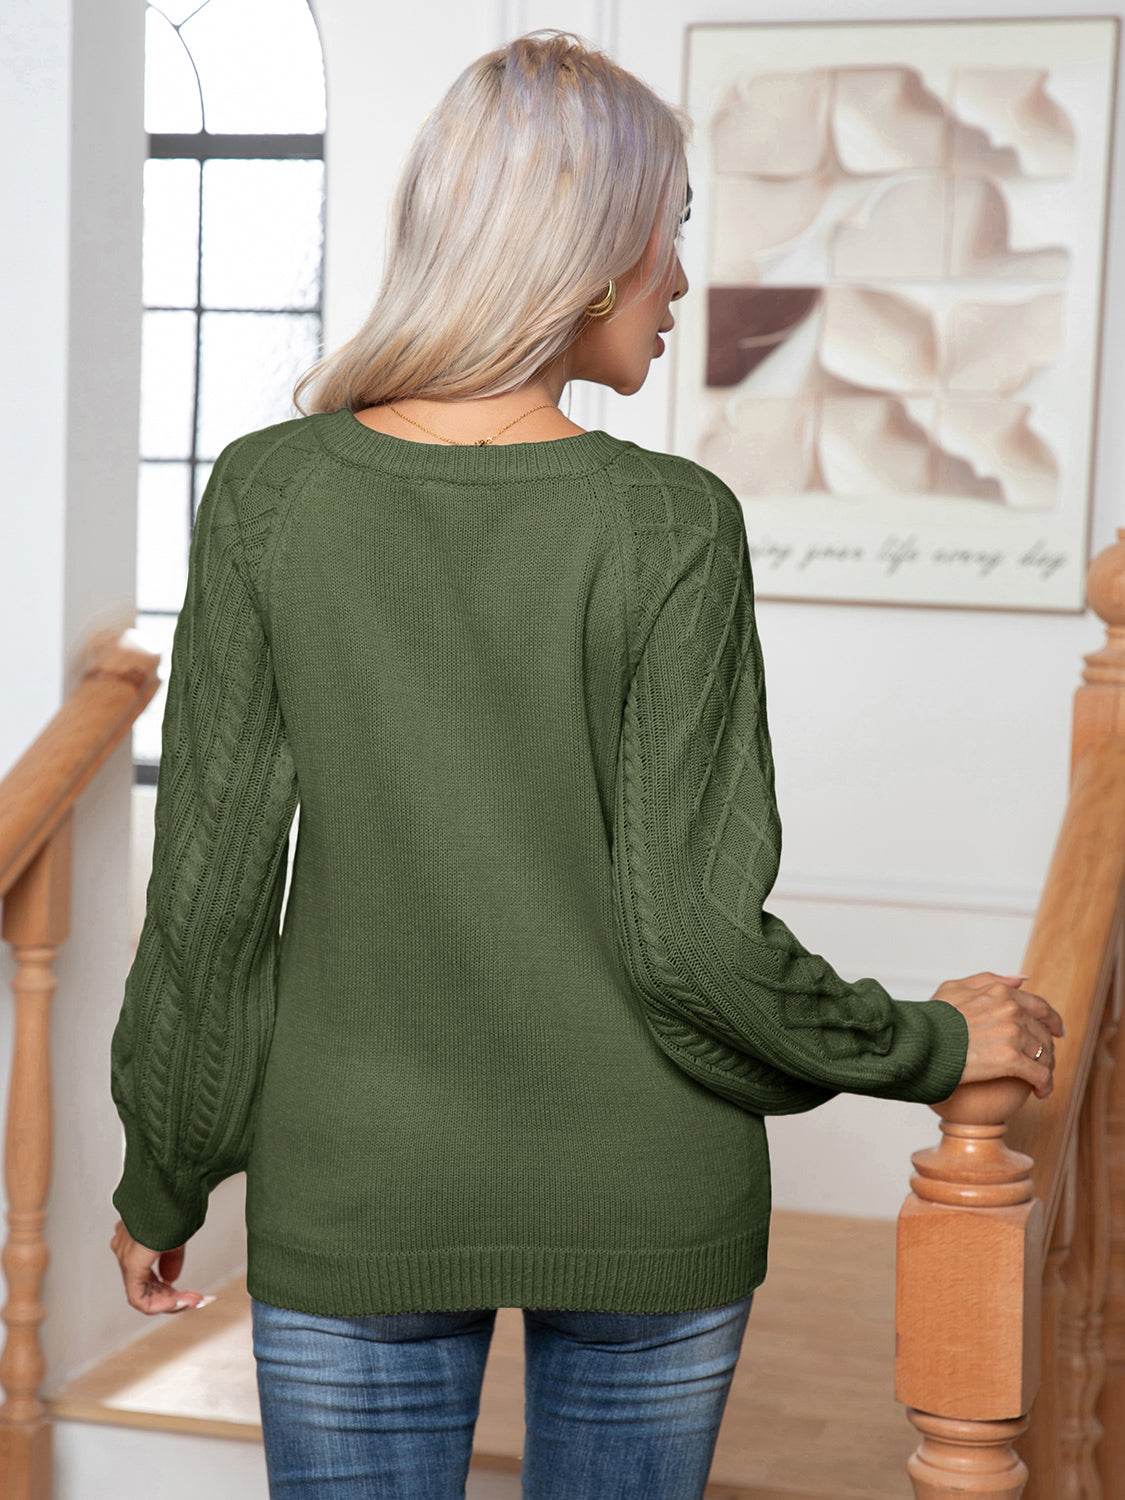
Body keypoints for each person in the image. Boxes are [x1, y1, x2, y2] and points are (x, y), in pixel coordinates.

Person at [106, 29, 1064, 1500]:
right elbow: (691, 937)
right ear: (599, 258)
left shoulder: (270, 494)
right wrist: (924, 1043)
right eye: (669, 230)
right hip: (643, 1191)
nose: (680, 279)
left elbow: (211, 897)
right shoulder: (669, 522)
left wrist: (165, 1168)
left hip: (359, 1185)